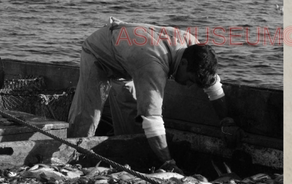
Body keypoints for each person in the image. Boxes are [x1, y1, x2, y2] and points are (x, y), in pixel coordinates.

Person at [68, 17, 241, 173]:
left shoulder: (194, 48)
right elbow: (152, 120)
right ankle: (71, 160)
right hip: (99, 53)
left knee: (131, 120)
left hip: (129, 59)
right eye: (189, 80)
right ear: (184, 63)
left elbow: (213, 86)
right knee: (89, 114)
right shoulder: (153, 65)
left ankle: (124, 161)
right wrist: (169, 163)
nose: (189, 87)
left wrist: (227, 121)